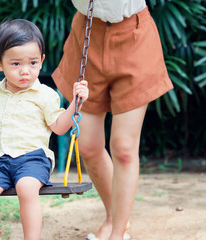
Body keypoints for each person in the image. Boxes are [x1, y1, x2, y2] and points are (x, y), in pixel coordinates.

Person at [0, 19, 89, 240]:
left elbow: (59, 127)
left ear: (42, 61)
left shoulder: (45, 95)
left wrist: (75, 103)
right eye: (15, 64)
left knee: (26, 188)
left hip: (33, 159)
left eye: (33, 63)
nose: (25, 71)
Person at [52, 1, 174, 240]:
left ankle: (117, 233)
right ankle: (114, 216)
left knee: (124, 149)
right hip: (87, 34)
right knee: (87, 144)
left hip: (133, 35)